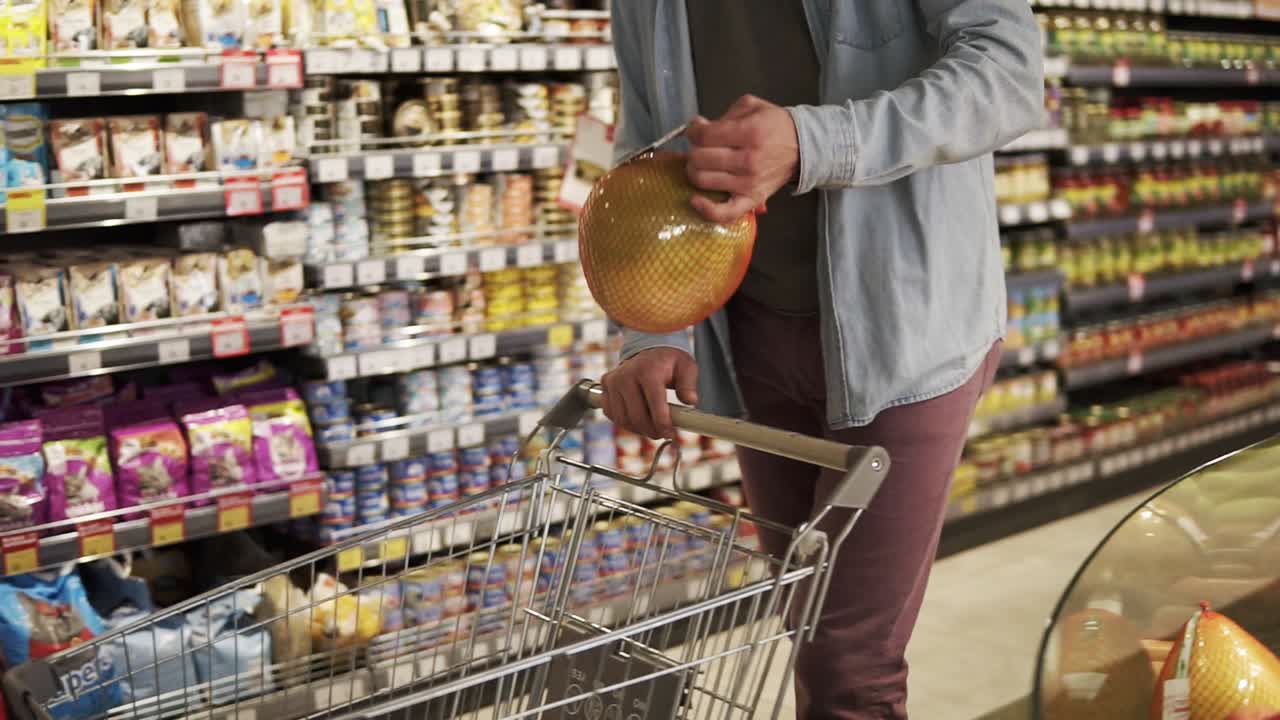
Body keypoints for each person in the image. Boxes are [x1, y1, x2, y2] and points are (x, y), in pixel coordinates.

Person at [599, 2, 1045, 718]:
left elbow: (1009, 75)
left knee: (846, 662)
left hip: (904, 330)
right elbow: (648, 136)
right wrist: (654, 329)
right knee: (807, 625)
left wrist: (813, 142)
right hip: (753, 336)